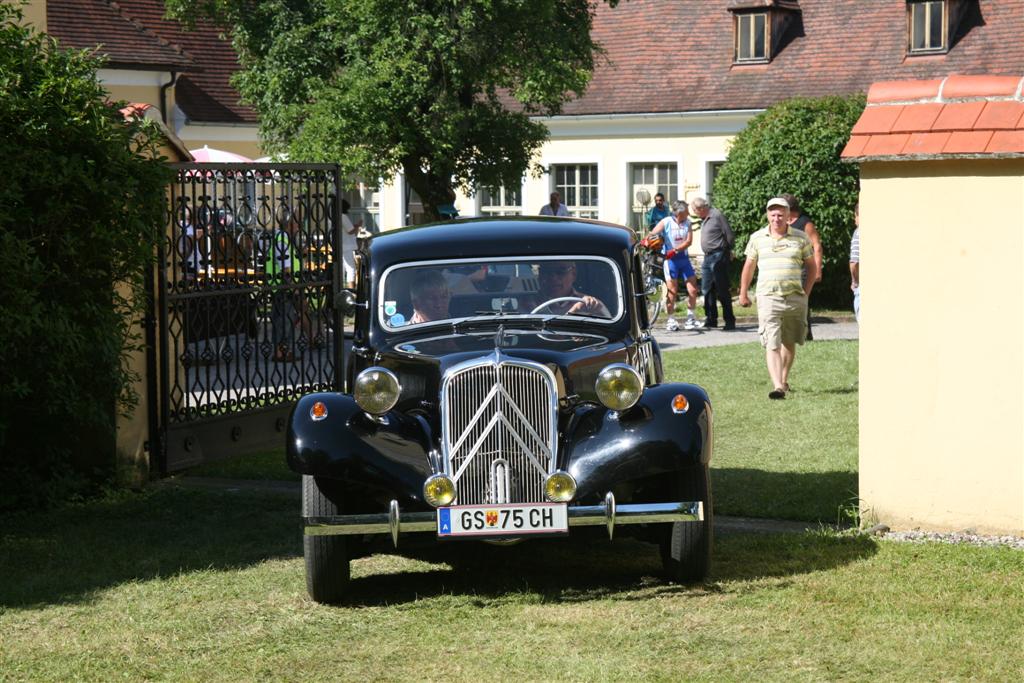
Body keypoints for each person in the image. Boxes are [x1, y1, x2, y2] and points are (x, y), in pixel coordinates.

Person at [738, 197, 817, 400]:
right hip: (767, 296)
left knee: (789, 341)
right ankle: (778, 386)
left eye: (780, 214)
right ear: (767, 215)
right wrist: (743, 292)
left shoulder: (800, 238)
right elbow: (749, 266)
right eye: (772, 214)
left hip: (794, 297)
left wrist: (805, 293)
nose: (776, 218)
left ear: (788, 216)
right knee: (771, 342)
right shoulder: (757, 238)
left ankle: (783, 378)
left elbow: (811, 266)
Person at [648, 200, 702, 331]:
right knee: (672, 291)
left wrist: (676, 250)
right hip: (669, 261)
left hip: (683, 259)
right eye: (686, 211)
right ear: (679, 213)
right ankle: (671, 320)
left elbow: (689, 241)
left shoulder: (687, 223)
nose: (689, 213)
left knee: (693, 290)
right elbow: (652, 234)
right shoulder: (666, 222)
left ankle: (691, 318)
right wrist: (652, 241)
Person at [690, 196, 736, 330]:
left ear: (701, 208)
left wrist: (727, 252)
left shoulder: (717, 215)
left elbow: (729, 235)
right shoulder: (705, 219)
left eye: (695, 210)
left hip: (718, 255)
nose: (694, 212)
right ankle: (711, 319)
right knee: (706, 288)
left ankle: (729, 320)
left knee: (722, 289)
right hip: (708, 257)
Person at [782, 193, 823, 340]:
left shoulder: (805, 223)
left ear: (789, 208)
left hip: (804, 269)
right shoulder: (783, 223)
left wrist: (817, 269)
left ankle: (805, 334)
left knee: (802, 300)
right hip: (789, 269)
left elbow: (817, 246)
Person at [266, 216, 303, 362]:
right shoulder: (282, 241)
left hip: (281, 285)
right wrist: (293, 287)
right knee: (284, 320)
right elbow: (285, 267)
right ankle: (280, 352)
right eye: (296, 224)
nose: (299, 228)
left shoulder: (283, 239)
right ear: (289, 225)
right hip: (283, 286)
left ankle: (282, 350)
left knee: (284, 319)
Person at [529, 261, 609, 317]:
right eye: (546, 271)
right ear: (540, 275)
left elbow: (611, 334)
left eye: (561, 271)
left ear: (573, 274)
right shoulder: (526, 303)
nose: (553, 278)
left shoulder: (590, 304)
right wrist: (575, 311)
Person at [849, 204, 860, 323]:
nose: (854, 219)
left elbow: (854, 262)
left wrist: (855, 281)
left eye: (855, 216)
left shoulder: (858, 233)